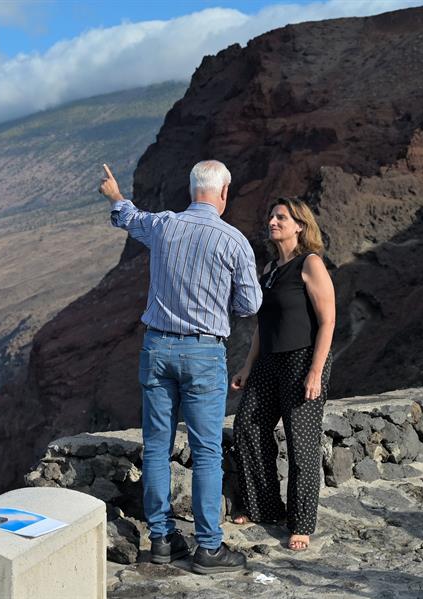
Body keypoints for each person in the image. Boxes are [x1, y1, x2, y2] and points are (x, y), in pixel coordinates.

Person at [99, 160, 261, 574]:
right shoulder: (234, 241)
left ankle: (162, 540)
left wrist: (116, 195)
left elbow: (129, 218)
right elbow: (250, 305)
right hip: (204, 353)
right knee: (206, 451)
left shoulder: (165, 226)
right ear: (224, 192)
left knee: (156, 445)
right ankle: (208, 547)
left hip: (157, 348)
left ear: (192, 190)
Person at [230, 197, 335, 552]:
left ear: (299, 226)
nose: (272, 221)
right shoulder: (270, 270)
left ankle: (301, 523)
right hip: (269, 361)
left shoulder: (311, 263)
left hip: (303, 359)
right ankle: (266, 508)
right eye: (271, 215)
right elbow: (264, 324)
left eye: (281, 217)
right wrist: (247, 365)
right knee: (247, 425)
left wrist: (315, 371)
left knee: (300, 440)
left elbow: (327, 320)